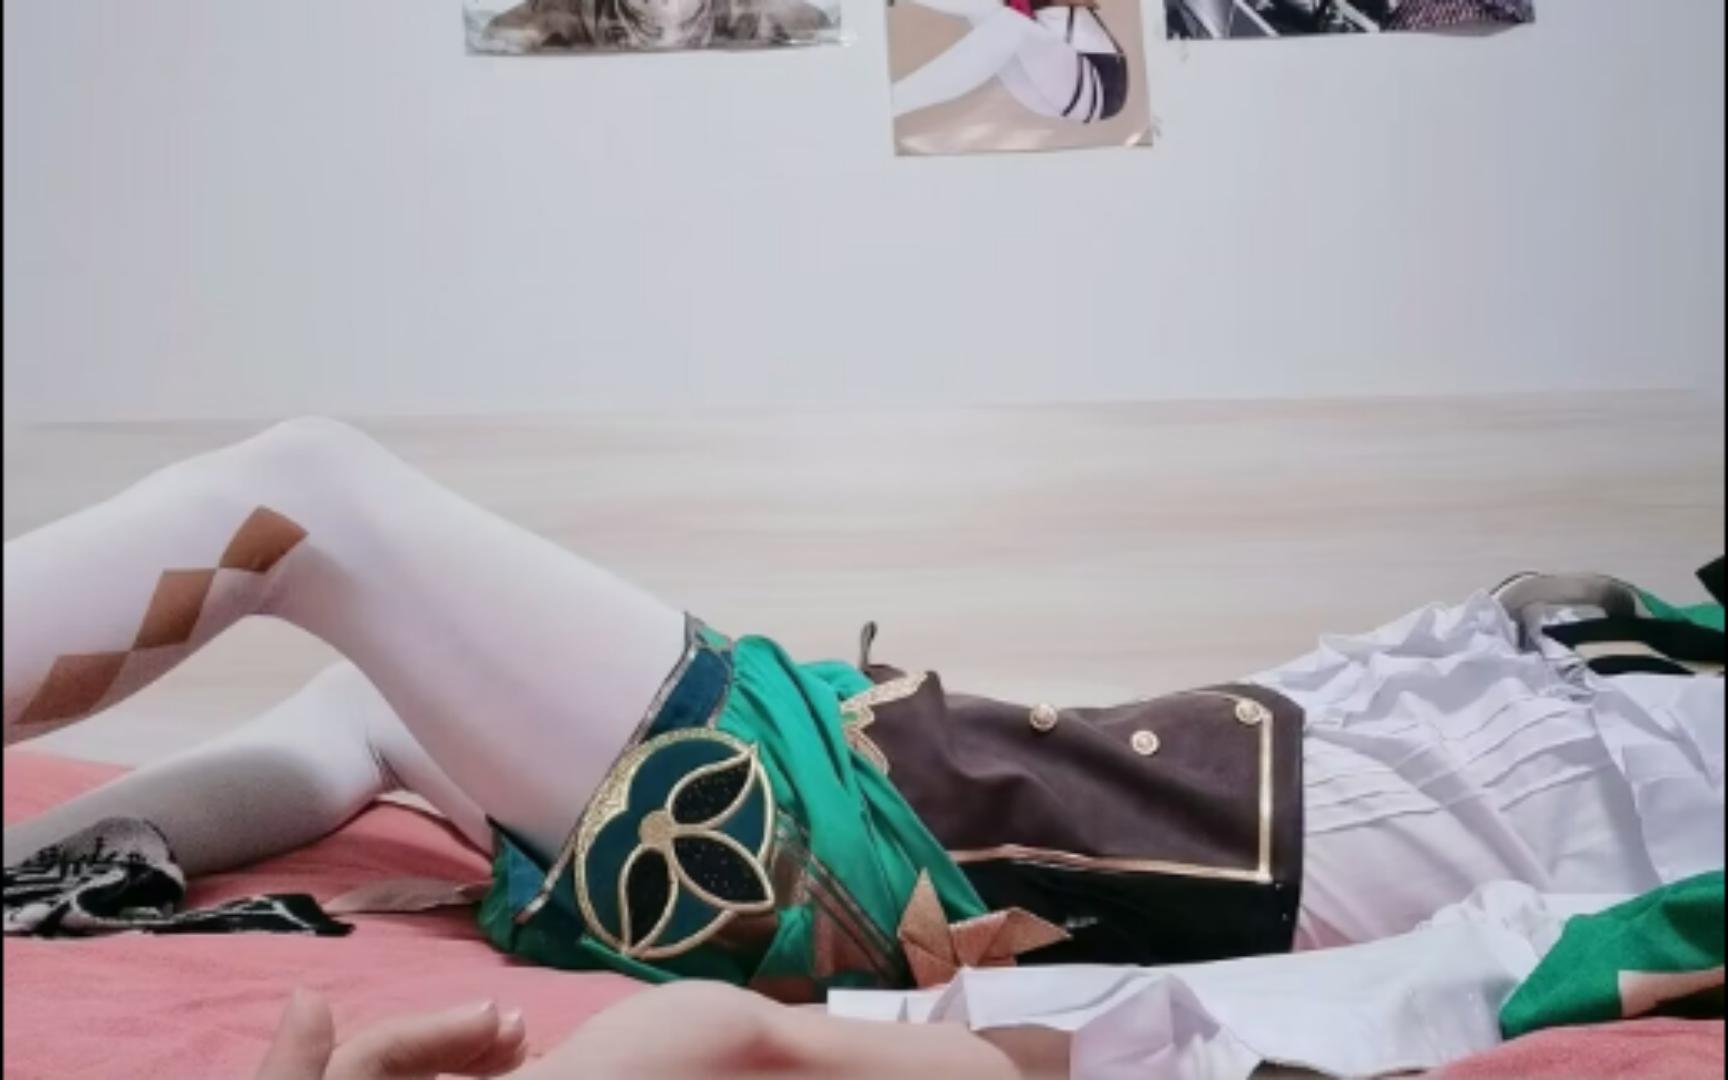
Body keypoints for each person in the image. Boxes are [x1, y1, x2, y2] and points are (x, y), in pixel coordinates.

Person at [5, 420, 1720, 1004]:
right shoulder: (1665, 654)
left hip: (866, 859)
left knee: (301, 502)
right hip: (901, 769)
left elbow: (1475, 982)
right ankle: (54, 857)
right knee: (367, 690)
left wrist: (917, 1036)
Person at [892, 0, 1130, 123]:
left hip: (1101, 83)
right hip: (1054, 88)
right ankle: (891, 103)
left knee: (1011, 24)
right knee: (989, 7)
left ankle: (895, 100)